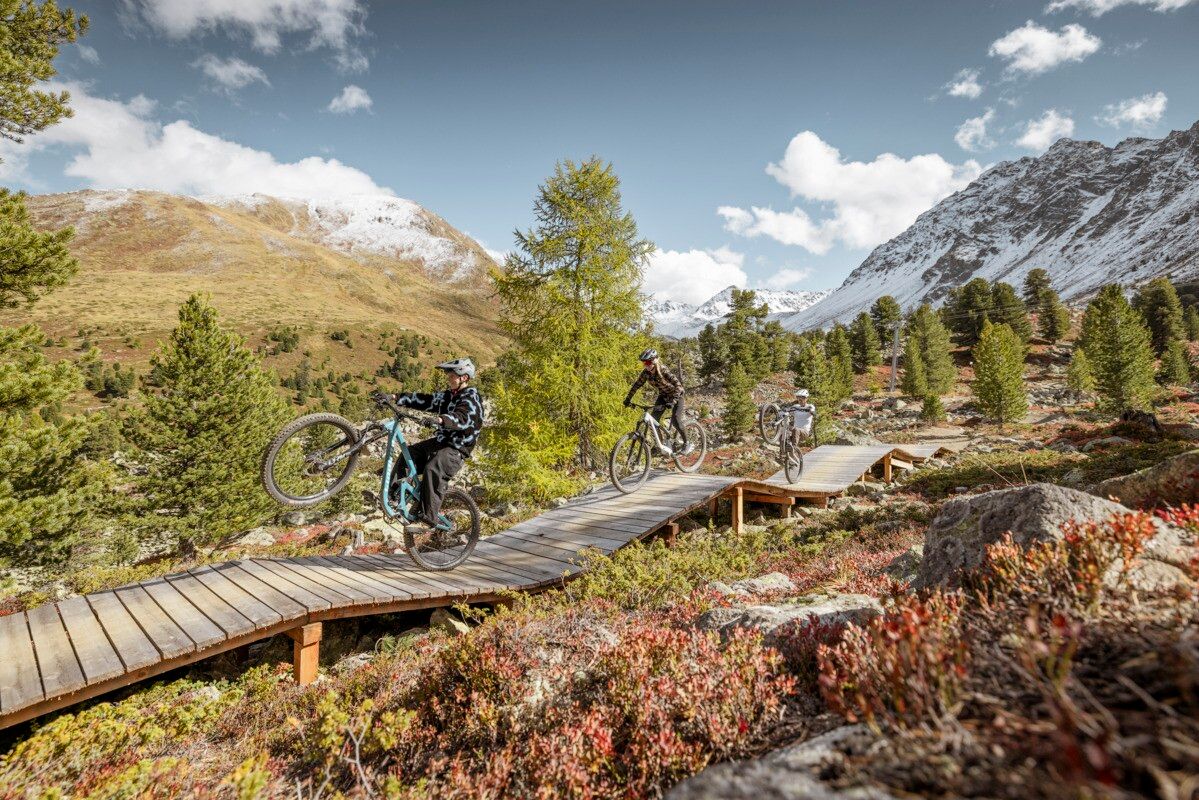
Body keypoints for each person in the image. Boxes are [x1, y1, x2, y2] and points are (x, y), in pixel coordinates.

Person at [382, 358, 484, 528]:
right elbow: (425, 400)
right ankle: (393, 497)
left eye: (452, 375)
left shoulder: (471, 398)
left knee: (432, 468)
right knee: (409, 454)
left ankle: (428, 518)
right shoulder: (449, 396)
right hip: (441, 441)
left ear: (464, 377)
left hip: (457, 448)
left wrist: (441, 420)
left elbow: (462, 418)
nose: (449, 378)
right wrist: (394, 397)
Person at [624, 348, 692, 455]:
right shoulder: (646, 373)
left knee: (675, 420)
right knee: (653, 421)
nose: (646, 365)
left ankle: (687, 443)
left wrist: (673, 401)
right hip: (663, 396)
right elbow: (636, 385)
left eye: (648, 362)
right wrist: (628, 399)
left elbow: (679, 386)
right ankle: (661, 445)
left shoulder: (664, 370)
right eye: (644, 363)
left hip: (677, 395)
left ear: (655, 361)